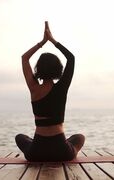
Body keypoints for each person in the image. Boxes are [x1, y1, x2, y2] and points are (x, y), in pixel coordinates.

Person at [15, 21, 85, 162]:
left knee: (20, 137)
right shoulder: (62, 87)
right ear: (58, 69)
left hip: (36, 153)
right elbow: (71, 58)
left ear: (38, 69)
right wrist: (52, 40)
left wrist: (42, 42)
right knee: (79, 137)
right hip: (62, 151)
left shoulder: (34, 88)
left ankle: (36, 143)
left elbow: (24, 58)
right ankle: (70, 148)